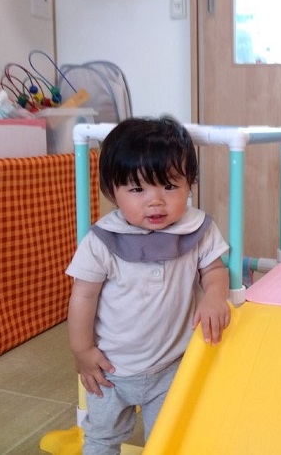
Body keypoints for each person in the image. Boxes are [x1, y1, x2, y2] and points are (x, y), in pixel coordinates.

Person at [66, 116, 231, 453]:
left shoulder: (198, 229)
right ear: (113, 191)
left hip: (172, 366)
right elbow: (83, 296)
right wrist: (82, 351)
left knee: (167, 439)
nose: (155, 200)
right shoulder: (103, 239)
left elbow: (214, 270)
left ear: (189, 183)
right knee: (102, 437)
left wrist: (215, 296)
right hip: (110, 369)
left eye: (169, 186)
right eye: (137, 189)